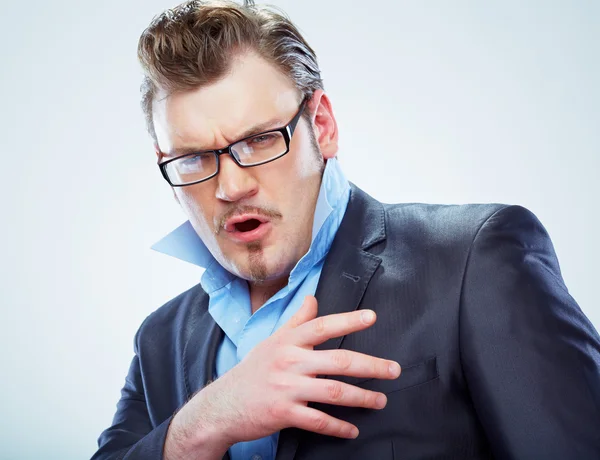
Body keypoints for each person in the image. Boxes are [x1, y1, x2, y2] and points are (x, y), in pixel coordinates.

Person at [92, 1, 600, 459]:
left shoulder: (475, 261)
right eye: (195, 157)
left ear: (323, 127)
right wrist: (205, 423)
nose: (230, 185)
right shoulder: (159, 338)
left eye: (260, 140)